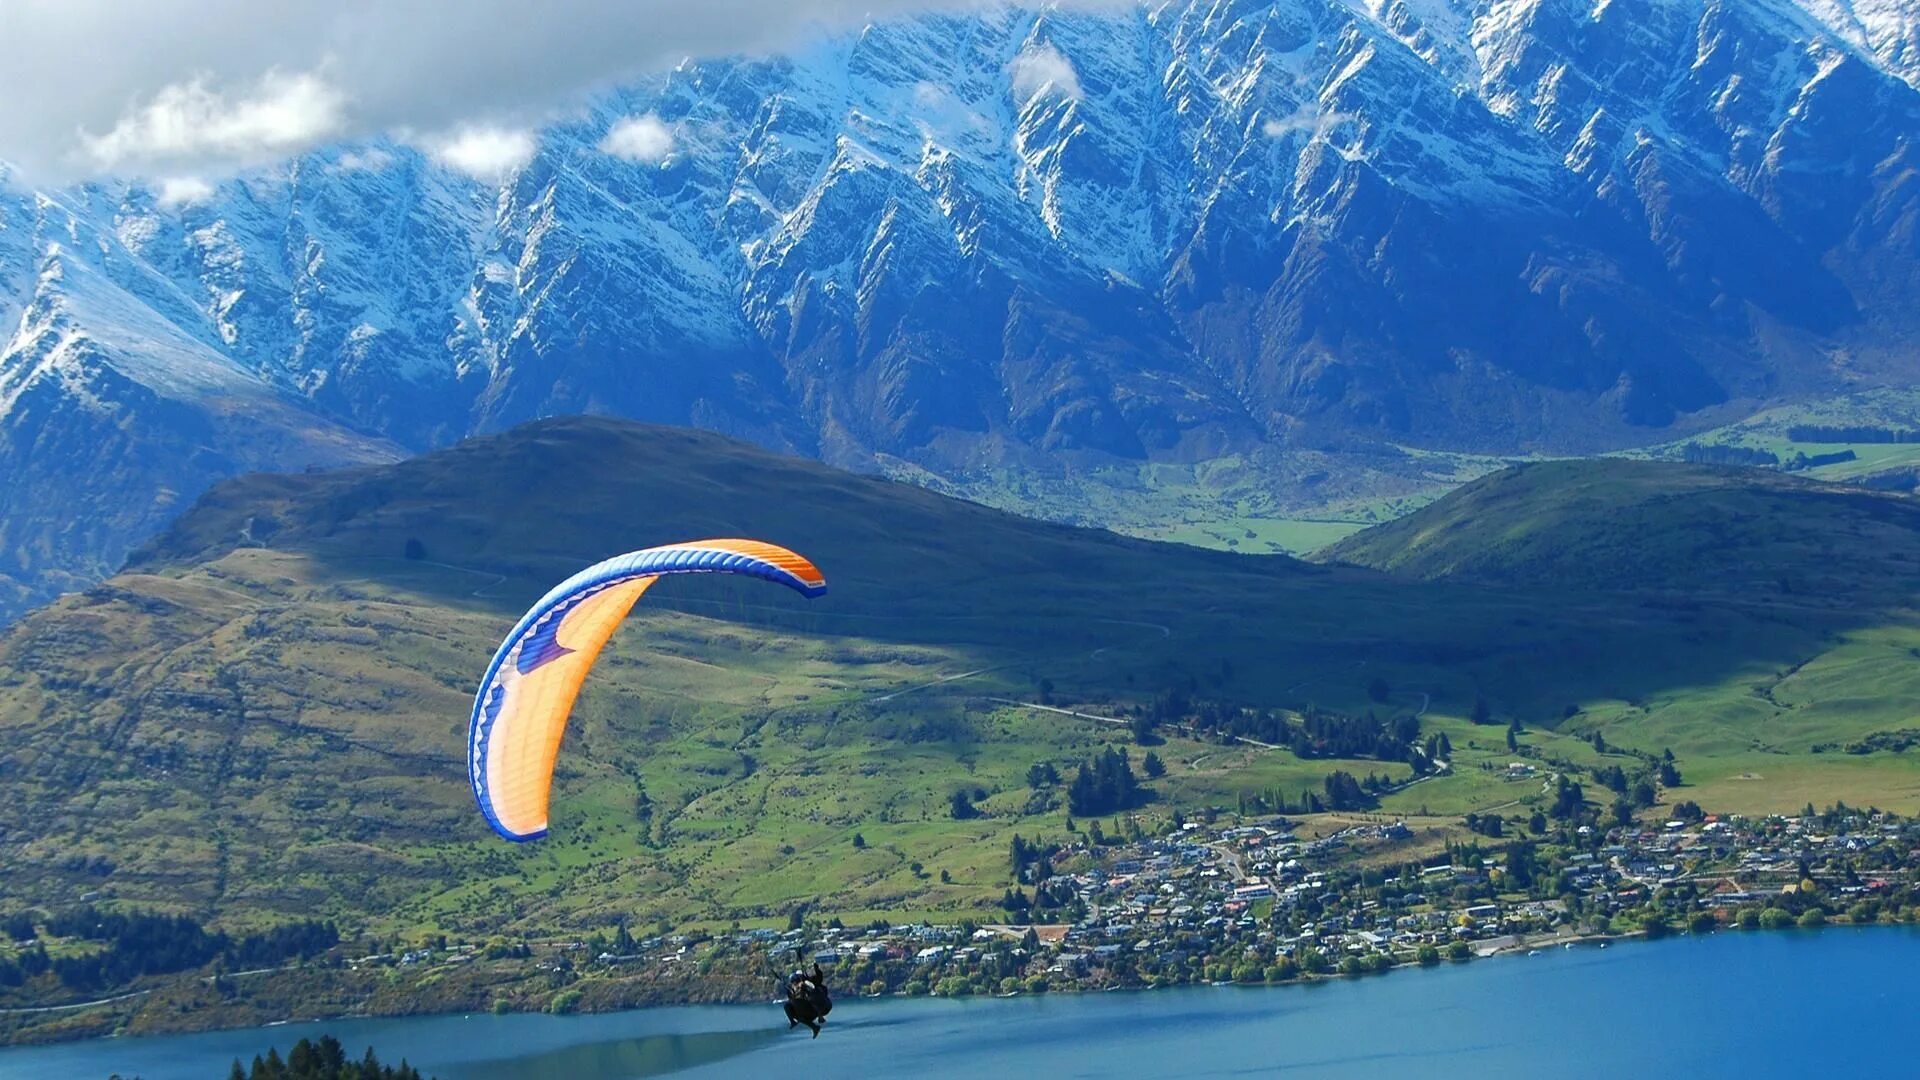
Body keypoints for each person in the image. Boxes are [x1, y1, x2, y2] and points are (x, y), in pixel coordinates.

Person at [783, 960, 831, 1037]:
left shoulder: (808, 983)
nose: (795, 983)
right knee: (797, 1016)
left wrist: (816, 969)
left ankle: (820, 1017)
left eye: (796, 980)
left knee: (812, 998)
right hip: (809, 1010)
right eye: (793, 982)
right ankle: (814, 1027)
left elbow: (817, 981)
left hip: (821, 1006)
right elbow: (794, 1001)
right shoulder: (793, 990)